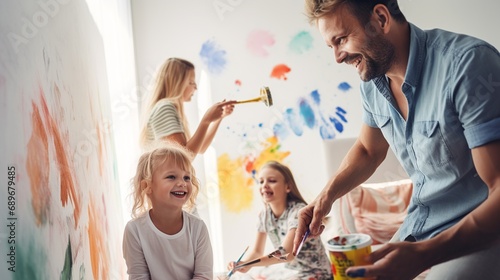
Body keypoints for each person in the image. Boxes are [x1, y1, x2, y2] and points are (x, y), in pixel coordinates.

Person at [293, 1, 500, 280]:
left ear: (380, 18)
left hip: (480, 233)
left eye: (341, 40)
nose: (338, 58)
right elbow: (368, 150)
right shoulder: (372, 82)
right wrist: (324, 198)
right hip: (421, 225)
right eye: (331, 46)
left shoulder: (469, 64)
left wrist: (425, 254)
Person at [122, 141, 213, 279]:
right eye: (171, 177)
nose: (182, 183)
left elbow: (204, 276)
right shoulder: (134, 231)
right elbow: (138, 276)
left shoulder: (198, 228)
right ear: (147, 186)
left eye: (186, 177)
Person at [228, 161, 332, 279]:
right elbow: (257, 251)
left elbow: (286, 253)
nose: (264, 185)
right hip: (290, 272)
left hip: (315, 273)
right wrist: (244, 264)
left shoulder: (298, 212)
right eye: (261, 181)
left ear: (287, 187)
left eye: (271, 180)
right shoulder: (264, 215)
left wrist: (251, 263)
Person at [139, 57, 236, 158]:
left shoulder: (168, 108)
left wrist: (219, 118)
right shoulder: (165, 108)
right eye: (191, 82)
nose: (196, 87)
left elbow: (201, 148)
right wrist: (206, 120)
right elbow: (184, 157)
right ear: (177, 83)